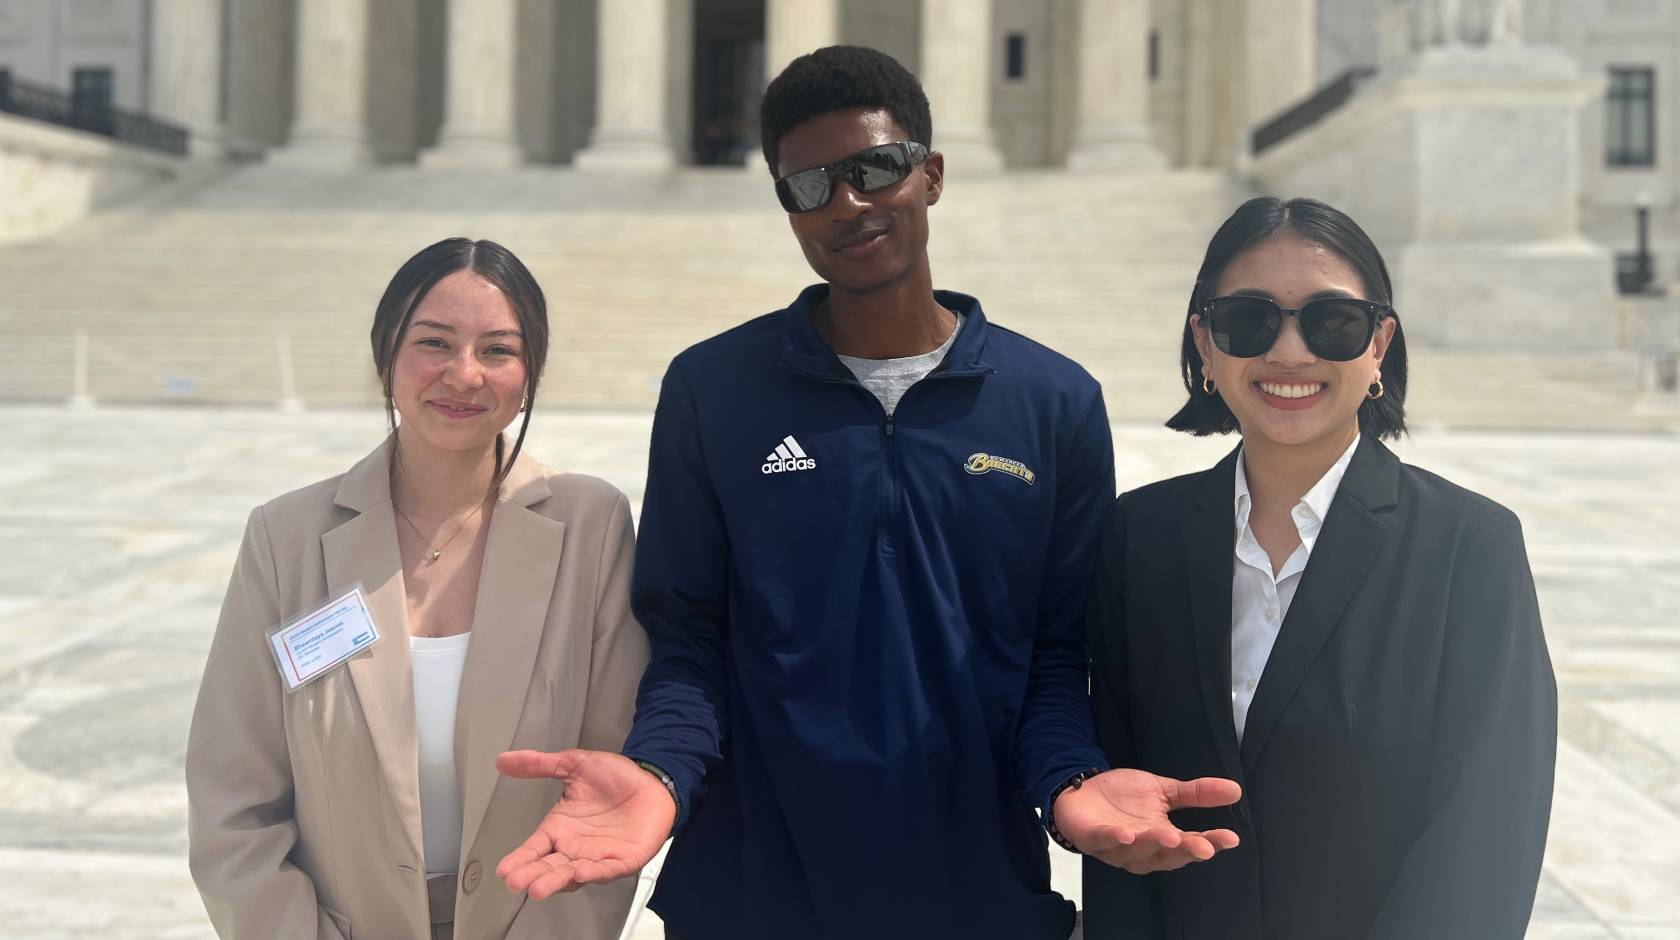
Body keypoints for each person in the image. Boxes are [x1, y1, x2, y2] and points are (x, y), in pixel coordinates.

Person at [493, 46, 1240, 940]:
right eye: (809, 186)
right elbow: (688, 641)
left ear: (929, 175)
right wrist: (658, 775)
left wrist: (1070, 784)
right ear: (786, 208)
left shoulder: (1052, 403)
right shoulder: (714, 390)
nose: (846, 204)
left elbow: (1052, 657)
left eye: (874, 169)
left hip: (979, 903)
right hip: (749, 900)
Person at [1082, 197, 1558, 939]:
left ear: (1379, 345)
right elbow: (1123, 812)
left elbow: (1485, 836)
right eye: (1250, 320)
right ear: (1204, 345)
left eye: (1332, 322)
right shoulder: (1138, 537)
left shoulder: (1472, 547)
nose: (1291, 353)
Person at [186, 238, 648, 939]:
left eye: (498, 350)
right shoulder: (286, 538)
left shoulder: (590, 525)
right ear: (385, 358)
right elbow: (234, 799)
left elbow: (610, 779)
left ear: (530, 377)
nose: (464, 375)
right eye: (434, 342)